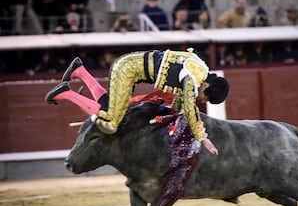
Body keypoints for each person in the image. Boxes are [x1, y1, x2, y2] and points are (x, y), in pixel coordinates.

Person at [45, 48, 230, 155]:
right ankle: (67, 94)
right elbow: (190, 107)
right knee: (111, 122)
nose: (200, 98)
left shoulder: (199, 68)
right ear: (206, 85)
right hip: (127, 70)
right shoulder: (193, 79)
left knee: (108, 105)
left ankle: (80, 71)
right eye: (204, 95)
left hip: (130, 66)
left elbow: (180, 103)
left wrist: (170, 116)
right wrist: (203, 138)